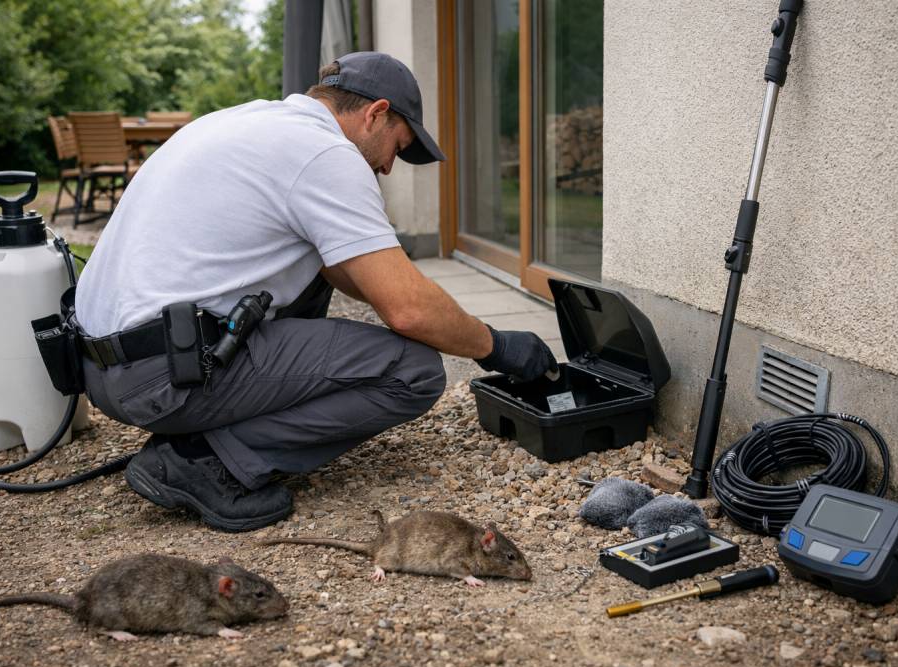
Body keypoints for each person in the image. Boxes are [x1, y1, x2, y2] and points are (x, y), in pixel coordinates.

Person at [74, 52, 556, 532]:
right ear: (376, 113)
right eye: (397, 146)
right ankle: (204, 461)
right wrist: (495, 346)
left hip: (105, 370)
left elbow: (350, 274)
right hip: (159, 377)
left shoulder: (248, 121)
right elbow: (407, 311)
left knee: (312, 283)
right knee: (414, 372)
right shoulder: (325, 154)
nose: (389, 167)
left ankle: (205, 430)